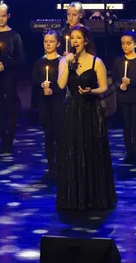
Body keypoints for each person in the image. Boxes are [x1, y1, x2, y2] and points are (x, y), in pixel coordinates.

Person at [56, 25, 116, 210]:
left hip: (90, 109)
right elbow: (61, 85)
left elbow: (104, 87)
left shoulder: (96, 61)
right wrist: (68, 65)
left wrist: (91, 91)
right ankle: (73, 197)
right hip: (72, 110)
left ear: (86, 41)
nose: (75, 41)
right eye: (72, 38)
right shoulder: (65, 60)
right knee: (73, 150)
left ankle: (94, 197)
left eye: (78, 38)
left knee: (91, 150)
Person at [0, 1, 25, 154]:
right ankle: (3, 140)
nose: (1, 19)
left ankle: (10, 140)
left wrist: (6, 65)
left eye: (4, 16)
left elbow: (21, 58)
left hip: (10, 75)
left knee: (11, 107)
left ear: (8, 16)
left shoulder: (14, 36)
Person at [31, 30, 64, 182]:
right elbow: (34, 81)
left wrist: (53, 89)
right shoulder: (39, 62)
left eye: (51, 41)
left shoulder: (62, 62)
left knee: (59, 134)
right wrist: (41, 86)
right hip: (44, 103)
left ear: (58, 43)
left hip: (58, 102)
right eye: (46, 41)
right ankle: (51, 166)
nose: (48, 44)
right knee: (48, 134)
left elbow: (64, 83)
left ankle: (61, 165)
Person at [111, 31, 136, 163]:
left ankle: (135, 152)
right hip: (123, 97)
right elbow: (115, 78)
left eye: (128, 43)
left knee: (135, 125)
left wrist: (130, 82)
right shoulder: (118, 61)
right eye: (123, 44)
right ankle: (128, 152)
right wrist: (119, 85)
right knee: (126, 125)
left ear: (135, 44)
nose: (125, 46)